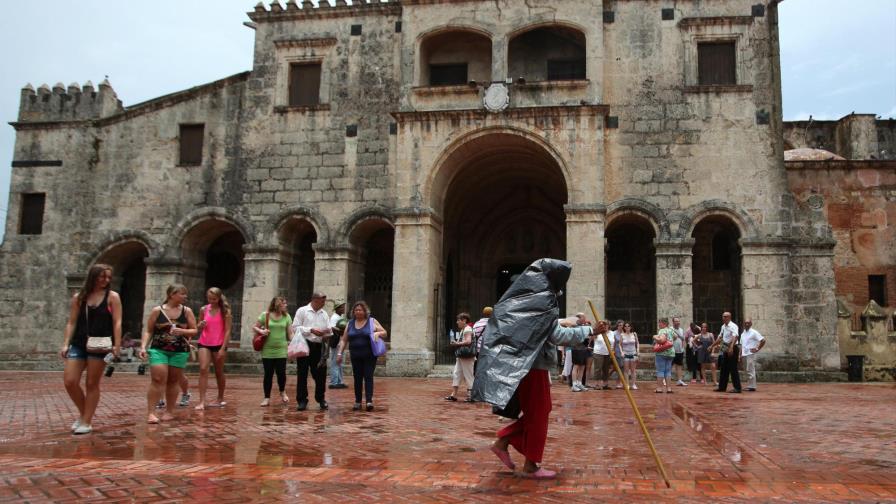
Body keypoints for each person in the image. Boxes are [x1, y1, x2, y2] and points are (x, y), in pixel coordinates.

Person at [472, 258, 593, 479]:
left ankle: (503, 441)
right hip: (532, 366)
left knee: (539, 412)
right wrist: (588, 332)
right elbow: (557, 335)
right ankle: (530, 465)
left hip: (524, 364)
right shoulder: (543, 300)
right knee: (539, 413)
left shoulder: (526, 298)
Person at [60, 264, 122, 434]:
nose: (105, 280)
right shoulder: (79, 297)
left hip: (100, 345)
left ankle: (86, 421)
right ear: (93, 277)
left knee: (91, 383)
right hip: (79, 343)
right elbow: (71, 321)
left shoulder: (112, 297)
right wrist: (66, 343)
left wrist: (117, 345)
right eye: (102, 276)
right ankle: (84, 414)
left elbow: (117, 321)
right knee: (70, 381)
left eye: (108, 277)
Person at [140, 284, 198, 424]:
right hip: (158, 349)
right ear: (172, 295)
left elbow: (194, 330)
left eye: (185, 294)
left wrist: (182, 331)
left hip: (179, 351)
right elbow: (148, 330)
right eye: (182, 294)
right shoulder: (157, 311)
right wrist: (143, 347)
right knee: (158, 379)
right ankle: (151, 413)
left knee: (173, 381)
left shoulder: (186, 311)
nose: (185, 296)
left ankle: (169, 411)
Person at [336, 300, 386, 411]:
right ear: (353, 312)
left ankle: (369, 401)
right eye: (356, 310)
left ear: (365, 311)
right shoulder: (350, 323)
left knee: (368, 377)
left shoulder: (372, 321)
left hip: (369, 355)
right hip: (355, 355)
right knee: (357, 378)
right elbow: (344, 340)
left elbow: (384, 332)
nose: (358, 312)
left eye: (360, 310)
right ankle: (357, 401)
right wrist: (340, 353)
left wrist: (377, 333)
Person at [291, 292, 332, 411]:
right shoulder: (302, 311)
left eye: (324, 301)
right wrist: (311, 330)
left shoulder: (324, 314)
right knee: (302, 373)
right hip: (304, 344)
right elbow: (295, 327)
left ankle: (321, 399)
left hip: (318, 346)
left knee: (320, 374)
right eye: (322, 301)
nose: (324, 303)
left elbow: (329, 330)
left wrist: (326, 333)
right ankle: (302, 400)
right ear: (314, 300)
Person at [194, 287, 232, 410]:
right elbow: (198, 327)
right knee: (203, 368)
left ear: (219, 298)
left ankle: (220, 397)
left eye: (214, 299)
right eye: (209, 298)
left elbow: (227, 331)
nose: (211, 301)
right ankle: (202, 401)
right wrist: (200, 325)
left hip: (219, 344)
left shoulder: (225, 311)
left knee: (218, 371)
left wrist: (223, 348)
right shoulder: (203, 309)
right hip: (204, 342)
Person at [255, 296, 293, 406]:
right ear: (277, 304)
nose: (286, 305)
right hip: (267, 349)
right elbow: (255, 327)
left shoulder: (286, 317)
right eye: (284, 303)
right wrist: (262, 331)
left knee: (281, 373)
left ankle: (282, 392)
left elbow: (290, 333)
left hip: (281, 349)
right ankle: (266, 397)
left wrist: (295, 343)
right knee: (268, 374)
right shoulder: (265, 315)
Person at [446, 313, 476, 402]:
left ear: (464, 320)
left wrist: (456, 343)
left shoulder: (467, 329)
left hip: (466, 356)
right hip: (462, 356)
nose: (457, 322)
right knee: (457, 373)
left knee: (468, 375)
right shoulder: (464, 329)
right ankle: (453, 394)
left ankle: (471, 396)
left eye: (459, 320)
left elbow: (468, 341)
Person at [712, 311, 741, 393]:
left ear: (729, 317)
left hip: (732, 347)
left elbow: (735, 336)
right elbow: (720, 338)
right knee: (724, 368)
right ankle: (722, 387)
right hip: (725, 347)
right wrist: (712, 345)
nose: (723, 318)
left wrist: (731, 347)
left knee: (733, 368)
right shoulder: (723, 326)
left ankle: (737, 388)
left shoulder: (733, 326)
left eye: (725, 316)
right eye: (723, 316)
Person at [739, 319, 766, 391]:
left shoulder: (754, 332)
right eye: (745, 323)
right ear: (743, 324)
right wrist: (740, 354)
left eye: (748, 323)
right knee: (747, 370)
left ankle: (752, 386)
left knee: (750, 369)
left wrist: (757, 349)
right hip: (744, 354)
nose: (746, 324)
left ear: (751, 324)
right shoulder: (742, 334)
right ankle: (750, 385)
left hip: (751, 354)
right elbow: (742, 345)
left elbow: (763, 340)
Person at [328, 302, 348, 389]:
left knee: (339, 362)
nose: (343, 309)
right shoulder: (334, 317)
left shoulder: (339, 317)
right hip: (336, 342)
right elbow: (332, 327)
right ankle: (334, 382)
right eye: (342, 308)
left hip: (340, 341)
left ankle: (339, 381)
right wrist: (341, 330)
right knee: (335, 361)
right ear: (337, 309)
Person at [653, 318, 676, 393]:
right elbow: (675, 337)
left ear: (664, 323)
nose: (659, 325)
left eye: (660, 323)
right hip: (671, 353)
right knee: (668, 371)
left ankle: (659, 388)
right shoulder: (670, 330)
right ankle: (669, 388)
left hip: (662, 353)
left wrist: (655, 337)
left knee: (660, 371)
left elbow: (661, 341)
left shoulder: (662, 330)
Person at [591, 320, 616, 390]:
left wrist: (612, 352)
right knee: (598, 369)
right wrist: (597, 329)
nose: (605, 326)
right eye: (603, 325)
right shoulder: (598, 333)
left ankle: (605, 384)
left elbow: (613, 343)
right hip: (598, 352)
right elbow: (592, 337)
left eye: (606, 324)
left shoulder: (611, 333)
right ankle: (597, 384)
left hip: (608, 353)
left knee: (606, 369)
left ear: (608, 325)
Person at [619, 322, 639, 390]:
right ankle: (627, 384)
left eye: (628, 326)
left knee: (633, 370)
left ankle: (633, 384)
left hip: (633, 353)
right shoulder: (622, 335)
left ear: (630, 327)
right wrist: (621, 352)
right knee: (626, 370)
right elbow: (620, 344)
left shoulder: (634, 334)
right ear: (624, 327)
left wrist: (638, 351)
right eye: (626, 326)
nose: (627, 328)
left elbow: (637, 343)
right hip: (626, 354)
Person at [472, 306, 492, 374]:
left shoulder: (477, 323)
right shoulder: (493, 323)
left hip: (478, 348)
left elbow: (473, 335)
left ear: (483, 313)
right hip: (489, 348)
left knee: (477, 365)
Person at [671, 317, 687, 387]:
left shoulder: (681, 330)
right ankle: (665, 380)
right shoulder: (670, 329)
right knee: (669, 366)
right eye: (676, 321)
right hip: (671, 351)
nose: (678, 322)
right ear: (673, 322)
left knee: (679, 366)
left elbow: (683, 339)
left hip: (680, 351)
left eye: (678, 321)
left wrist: (683, 347)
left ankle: (679, 380)